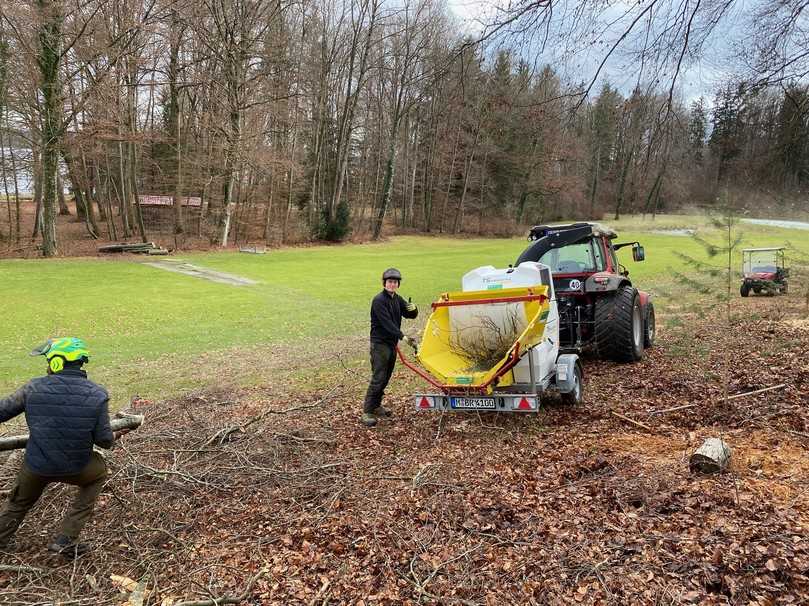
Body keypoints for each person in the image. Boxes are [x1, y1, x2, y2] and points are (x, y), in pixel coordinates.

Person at [0, 337, 114, 558]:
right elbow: (104, 441)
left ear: (57, 363)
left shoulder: (33, 388)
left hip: (37, 466)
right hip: (77, 468)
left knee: (19, 503)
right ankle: (65, 540)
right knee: (99, 473)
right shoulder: (98, 394)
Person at [362, 268, 418, 427]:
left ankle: (376, 406)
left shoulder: (397, 299)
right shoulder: (378, 300)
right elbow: (387, 324)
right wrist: (404, 337)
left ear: (398, 284)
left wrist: (414, 309)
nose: (392, 284)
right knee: (378, 377)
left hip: (391, 344)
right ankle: (367, 411)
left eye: (395, 282)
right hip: (380, 344)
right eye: (389, 282)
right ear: (384, 283)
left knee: (385, 377)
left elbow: (409, 315)